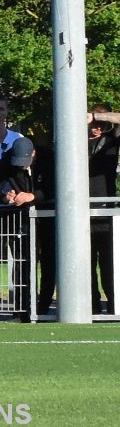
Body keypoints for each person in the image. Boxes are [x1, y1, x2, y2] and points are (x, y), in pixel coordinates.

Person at [0, 137, 41, 323]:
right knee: (20, 261)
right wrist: (4, 196)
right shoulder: (8, 160)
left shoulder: (48, 158)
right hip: (18, 219)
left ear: (33, 154)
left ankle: (40, 307)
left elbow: (52, 188)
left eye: (24, 163)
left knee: (45, 262)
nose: (21, 167)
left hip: (45, 218)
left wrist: (32, 196)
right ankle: (21, 309)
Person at [86, 107, 118, 315]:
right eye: (93, 123)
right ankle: (92, 305)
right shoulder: (74, 141)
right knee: (86, 264)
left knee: (109, 265)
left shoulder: (111, 141)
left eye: (101, 124)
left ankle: (114, 304)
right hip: (80, 211)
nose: (97, 128)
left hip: (105, 211)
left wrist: (97, 116)